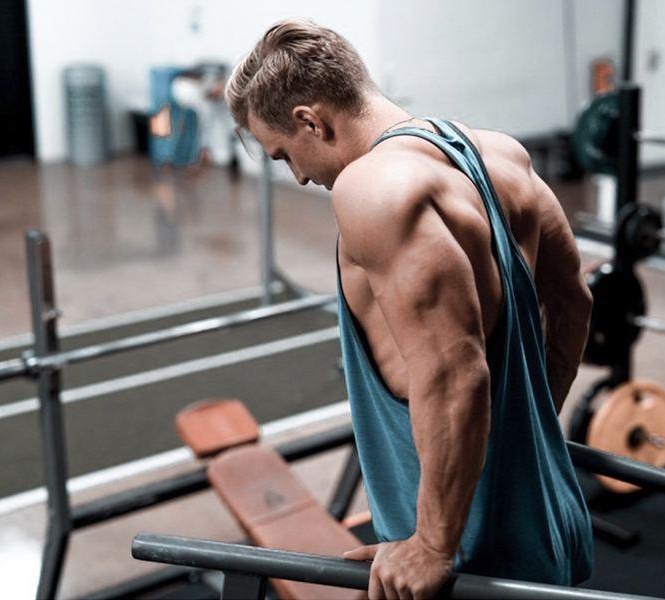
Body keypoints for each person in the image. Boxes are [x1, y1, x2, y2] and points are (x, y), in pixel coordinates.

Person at [225, 19, 594, 599]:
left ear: (310, 119)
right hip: (546, 516)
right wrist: (530, 427)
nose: (297, 175)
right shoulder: (498, 154)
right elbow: (573, 301)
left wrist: (431, 544)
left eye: (282, 157)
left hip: (473, 554)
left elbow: (453, 375)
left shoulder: (371, 189)